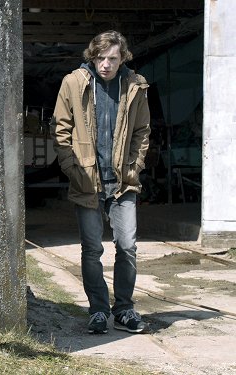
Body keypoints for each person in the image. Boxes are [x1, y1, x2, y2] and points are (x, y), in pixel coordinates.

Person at [52, 30, 151, 334]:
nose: (106, 64)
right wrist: (73, 169)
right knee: (92, 249)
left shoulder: (135, 86)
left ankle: (123, 310)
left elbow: (142, 131)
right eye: (100, 57)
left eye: (113, 58)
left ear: (123, 58)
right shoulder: (73, 83)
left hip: (123, 182)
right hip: (87, 182)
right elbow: (61, 129)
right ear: (92, 56)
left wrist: (134, 167)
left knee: (128, 247)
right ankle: (98, 311)